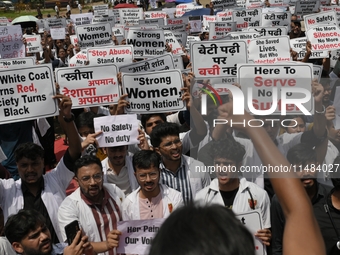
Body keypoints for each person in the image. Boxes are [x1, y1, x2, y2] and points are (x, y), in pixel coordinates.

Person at [149, 82, 326, 255]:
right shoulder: (245, 144)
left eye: (272, 123)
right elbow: (297, 211)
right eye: (262, 123)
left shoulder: (285, 143)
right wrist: (248, 123)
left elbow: (317, 135)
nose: (268, 127)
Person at [0, 95, 82, 244]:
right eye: (24, 165)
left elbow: (75, 151)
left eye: (35, 164)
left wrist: (67, 117)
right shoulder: (7, 190)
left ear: (43, 162)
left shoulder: (56, 179)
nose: (30, 169)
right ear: (17, 165)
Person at [195, 136, 271, 247]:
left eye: (227, 164)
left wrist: (267, 235)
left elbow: (265, 231)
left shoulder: (259, 194)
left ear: (239, 165)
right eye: (217, 163)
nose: (221, 169)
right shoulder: (201, 197)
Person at [271, 143, 332, 255]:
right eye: (299, 168)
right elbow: (277, 245)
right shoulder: (280, 200)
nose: (306, 173)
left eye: (310, 167)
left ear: (317, 166)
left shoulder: (330, 196)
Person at [58, 155, 124, 255]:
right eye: (86, 178)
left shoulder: (115, 192)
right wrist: (106, 245)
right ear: (76, 180)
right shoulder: (68, 207)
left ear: (102, 174)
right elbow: (76, 246)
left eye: (97, 176)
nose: (93, 182)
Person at [150, 122, 211, 203]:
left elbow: (209, 198)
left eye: (177, 141)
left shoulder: (198, 167)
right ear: (158, 150)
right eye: (168, 144)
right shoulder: (152, 173)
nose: (175, 147)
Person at [122, 150, 183, 220]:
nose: (148, 180)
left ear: (159, 172)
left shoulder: (175, 198)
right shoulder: (128, 204)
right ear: (135, 175)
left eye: (153, 174)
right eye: (142, 176)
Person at [5, 209, 92, 255]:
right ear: (18, 247)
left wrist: (90, 253)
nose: (44, 236)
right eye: (35, 236)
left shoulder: (64, 249)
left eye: (44, 230)